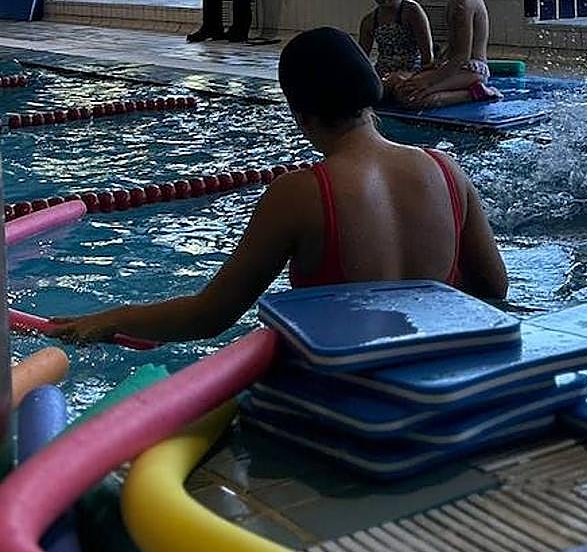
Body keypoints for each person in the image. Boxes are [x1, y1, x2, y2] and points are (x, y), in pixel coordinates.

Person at [51, 28, 508, 344]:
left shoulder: (300, 193)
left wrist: (111, 318)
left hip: (343, 395)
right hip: (439, 384)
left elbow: (209, 316)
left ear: (299, 114)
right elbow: (494, 288)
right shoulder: (447, 170)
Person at [393, 0, 502, 109]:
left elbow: (461, 57)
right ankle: (470, 90)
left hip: (473, 71)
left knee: (413, 98)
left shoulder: (463, 4)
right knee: (402, 87)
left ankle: (476, 93)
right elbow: (455, 46)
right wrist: (436, 64)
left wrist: (429, 80)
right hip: (459, 67)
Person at [357, 0, 435, 100]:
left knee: (399, 88)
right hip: (384, 75)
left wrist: (419, 79)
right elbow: (361, 61)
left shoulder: (411, 12)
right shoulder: (369, 21)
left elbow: (428, 59)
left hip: (412, 73)